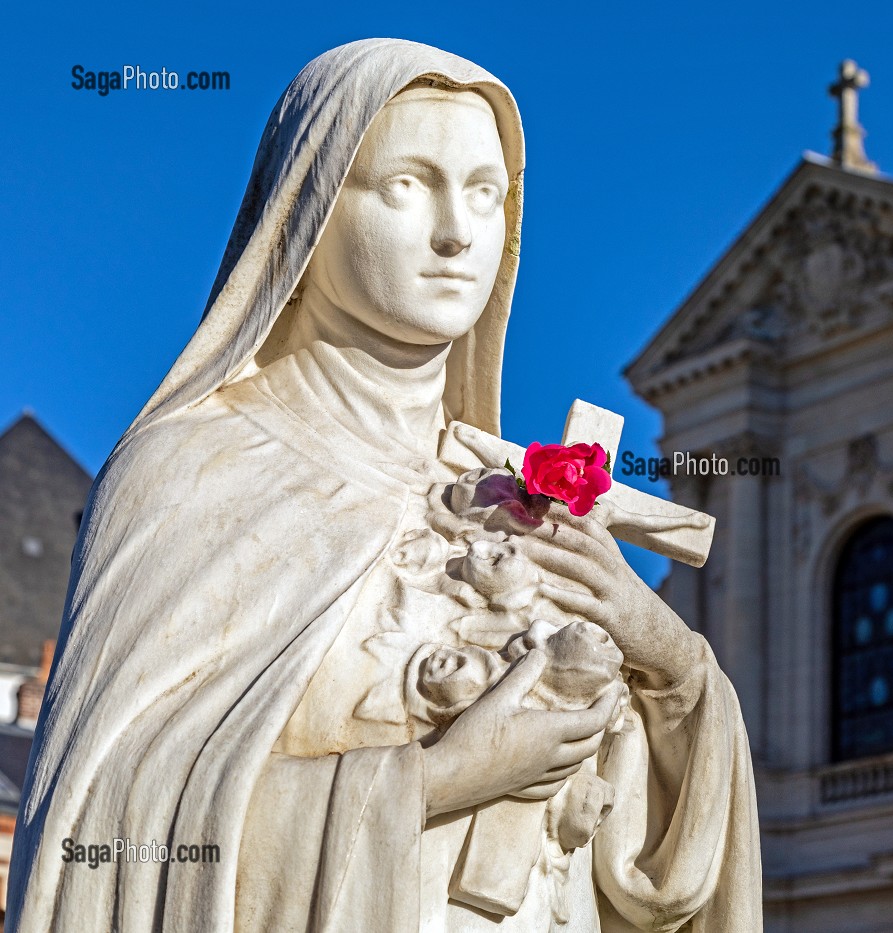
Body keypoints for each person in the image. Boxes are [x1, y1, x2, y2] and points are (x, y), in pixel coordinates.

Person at [6, 38, 760, 932]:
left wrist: (673, 669)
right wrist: (437, 779)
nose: (457, 231)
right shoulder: (192, 468)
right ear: (310, 206)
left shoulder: (515, 499)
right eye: (407, 185)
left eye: (485, 193)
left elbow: (641, 876)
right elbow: (96, 837)